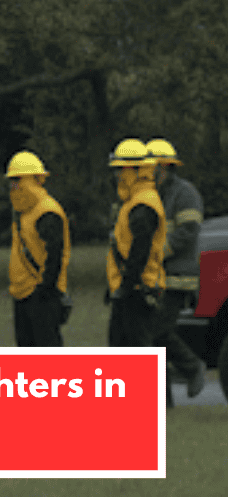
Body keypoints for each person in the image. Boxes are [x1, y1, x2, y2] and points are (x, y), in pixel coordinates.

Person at [145, 138, 205, 401]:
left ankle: (192, 367)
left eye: (152, 168)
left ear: (164, 168)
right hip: (159, 275)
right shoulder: (154, 194)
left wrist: (158, 252)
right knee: (153, 337)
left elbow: (189, 232)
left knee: (158, 331)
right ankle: (164, 398)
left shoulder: (185, 193)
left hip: (178, 276)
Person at [5, 151, 70, 347]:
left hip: (42, 294)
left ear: (34, 180)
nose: (13, 185)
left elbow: (55, 254)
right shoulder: (23, 211)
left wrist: (46, 289)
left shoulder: (47, 211)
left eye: (17, 179)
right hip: (22, 293)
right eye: (11, 180)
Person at [106, 138, 166, 350]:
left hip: (138, 288)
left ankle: (157, 384)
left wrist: (127, 285)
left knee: (138, 349)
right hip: (131, 287)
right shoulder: (134, 201)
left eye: (121, 170)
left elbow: (140, 251)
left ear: (136, 170)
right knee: (123, 347)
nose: (117, 175)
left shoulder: (143, 204)